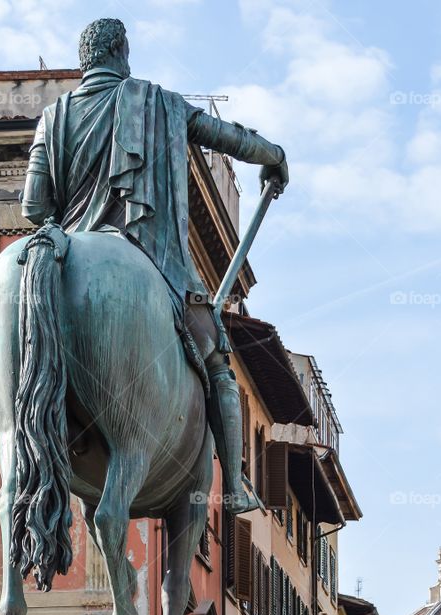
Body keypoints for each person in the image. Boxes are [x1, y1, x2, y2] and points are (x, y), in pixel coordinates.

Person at [20, 18, 289, 517]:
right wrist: (273, 155)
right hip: (150, 259)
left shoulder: (52, 118)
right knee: (219, 365)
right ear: (121, 53)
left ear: (85, 59)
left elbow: (33, 209)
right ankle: (234, 485)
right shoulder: (156, 102)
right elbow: (225, 136)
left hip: (62, 249)